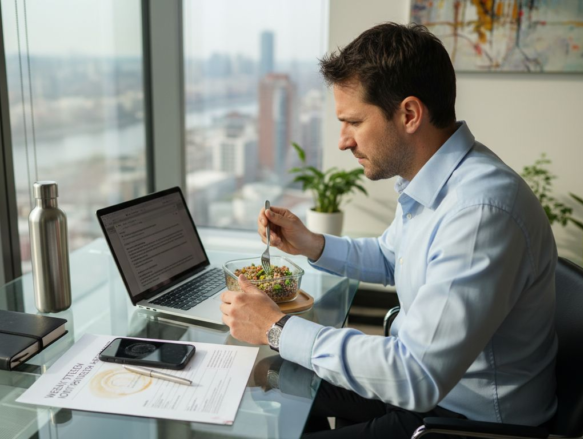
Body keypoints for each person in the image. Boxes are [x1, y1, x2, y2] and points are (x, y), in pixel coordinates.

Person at [219, 22, 558, 439]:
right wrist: (311, 243)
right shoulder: (439, 179)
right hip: (429, 386)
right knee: (274, 374)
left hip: (461, 418)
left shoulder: (479, 213)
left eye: (354, 122)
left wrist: (276, 327)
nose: (343, 141)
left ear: (410, 115)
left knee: (284, 364)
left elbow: (414, 375)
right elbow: (392, 256)